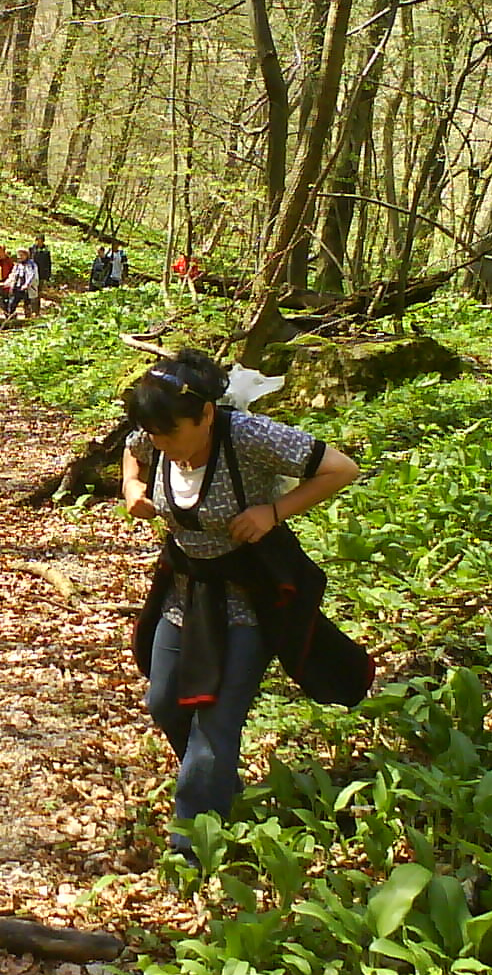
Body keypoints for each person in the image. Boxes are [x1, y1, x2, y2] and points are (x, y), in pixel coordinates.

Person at [119, 349, 369, 861]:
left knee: (215, 718)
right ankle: (217, 787)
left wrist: (272, 511)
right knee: (164, 702)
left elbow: (341, 468)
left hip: (251, 593)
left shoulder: (249, 436)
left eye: (171, 434)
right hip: (186, 589)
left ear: (206, 414)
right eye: (156, 434)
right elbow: (133, 449)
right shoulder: (158, 427)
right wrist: (132, 485)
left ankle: (193, 846)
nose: (161, 444)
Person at [3, 248, 39, 320]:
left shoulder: (31, 265)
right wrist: (6, 283)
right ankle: (11, 319)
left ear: (26, 255)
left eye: (21, 255)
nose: (19, 257)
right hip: (17, 287)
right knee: (12, 303)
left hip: (28, 289)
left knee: (27, 305)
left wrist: (27, 285)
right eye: (19, 255)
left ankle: (28, 320)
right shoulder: (17, 265)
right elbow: (13, 275)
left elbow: (32, 276)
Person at [30, 236, 52, 317]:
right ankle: (30, 310)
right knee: (31, 293)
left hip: (41, 275)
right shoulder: (32, 249)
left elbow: (48, 264)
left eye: (40, 241)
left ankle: (36, 311)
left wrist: (47, 276)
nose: (38, 242)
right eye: (37, 240)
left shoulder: (46, 251)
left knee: (38, 293)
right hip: (31, 274)